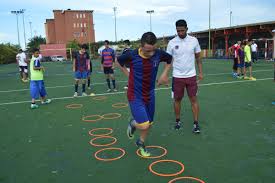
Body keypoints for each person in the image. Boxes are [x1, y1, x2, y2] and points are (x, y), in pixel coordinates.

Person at [117, 32, 172, 157]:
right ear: (141, 46)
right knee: (144, 124)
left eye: (152, 50)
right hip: (135, 94)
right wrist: (128, 75)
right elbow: (119, 61)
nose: (150, 53)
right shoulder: (132, 55)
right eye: (147, 51)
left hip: (150, 94)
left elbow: (169, 60)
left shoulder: (158, 54)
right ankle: (132, 123)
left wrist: (164, 74)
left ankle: (140, 142)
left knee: (149, 123)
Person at [166, 19, 203, 133]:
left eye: (182, 30)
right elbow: (168, 61)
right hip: (177, 76)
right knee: (177, 99)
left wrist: (200, 72)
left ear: (187, 29)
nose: (180, 33)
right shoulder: (172, 42)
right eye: (178, 31)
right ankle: (178, 121)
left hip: (191, 75)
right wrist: (165, 75)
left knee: (193, 99)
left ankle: (196, 123)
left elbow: (198, 58)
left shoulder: (194, 40)